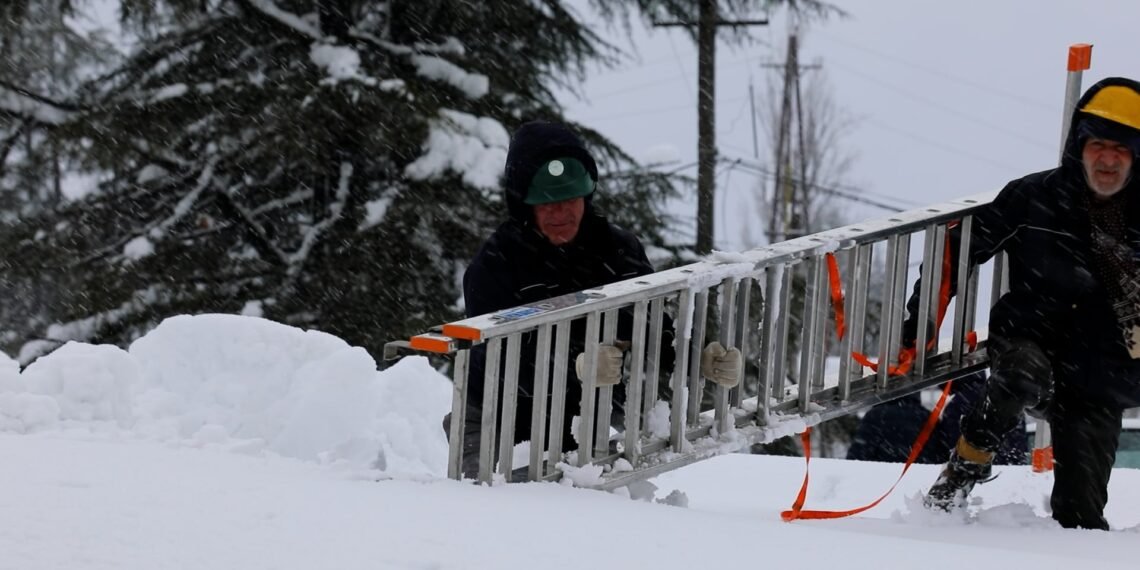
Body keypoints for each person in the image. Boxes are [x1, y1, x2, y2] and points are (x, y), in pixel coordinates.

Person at [905, 77, 1140, 530]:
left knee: (1080, 521)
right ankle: (962, 471)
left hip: (1101, 380)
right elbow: (957, 252)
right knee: (1021, 372)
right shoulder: (1035, 197)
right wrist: (921, 325)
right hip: (1029, 344)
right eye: (1098, 145)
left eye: (1122, 148)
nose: (1107, 159)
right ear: (1079, 144)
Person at [447, 120, 742, 478]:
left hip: (585, 414)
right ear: (525, 206)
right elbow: (493, 360)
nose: (561, 213)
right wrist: (575, 366)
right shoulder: (494, 265)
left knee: (596, 512)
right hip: (497, 419)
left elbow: (651, 329)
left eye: (570, 199)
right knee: (490, 509)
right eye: (547, 203)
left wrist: (701, 360)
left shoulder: (618, 250)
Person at [846, 371, 1026, 465]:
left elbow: (949, 448)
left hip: (978, 465)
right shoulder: (1003, 395)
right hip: (1009, 467)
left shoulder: (957, 407)